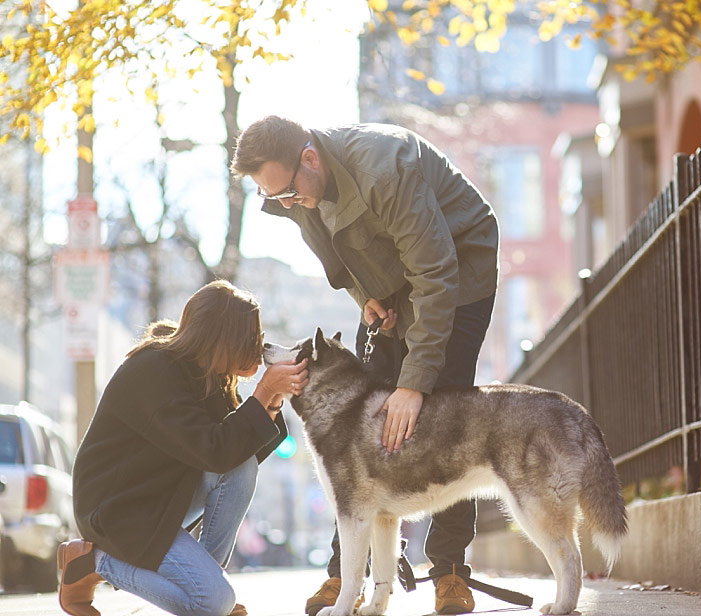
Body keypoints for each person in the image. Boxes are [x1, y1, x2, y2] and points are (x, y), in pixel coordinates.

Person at [231, 117, 499, 615]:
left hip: (458, 271)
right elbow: (339, 258)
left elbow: (436, 274)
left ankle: (449, 570)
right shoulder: (296, 190)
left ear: (310, 158)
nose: (287, 205)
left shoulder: (385, 168)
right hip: (395, 277)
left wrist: (415, 385)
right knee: (357, 430)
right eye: (276, 199)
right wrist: (367, 296)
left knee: (449, 418)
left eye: (288, 193)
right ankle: (346, 575)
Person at [57, 280, 308, 616]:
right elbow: (214, 451)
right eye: (249, 338)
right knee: (213, 602)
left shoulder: (206, 370)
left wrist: (272, 399)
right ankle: (93, 561)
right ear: (221, 337)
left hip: (160, 497)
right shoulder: (154, 370)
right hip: (118, 511)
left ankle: (209, 582)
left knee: (242, 467)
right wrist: (262, 391)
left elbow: (234, 456)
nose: (257, 347)